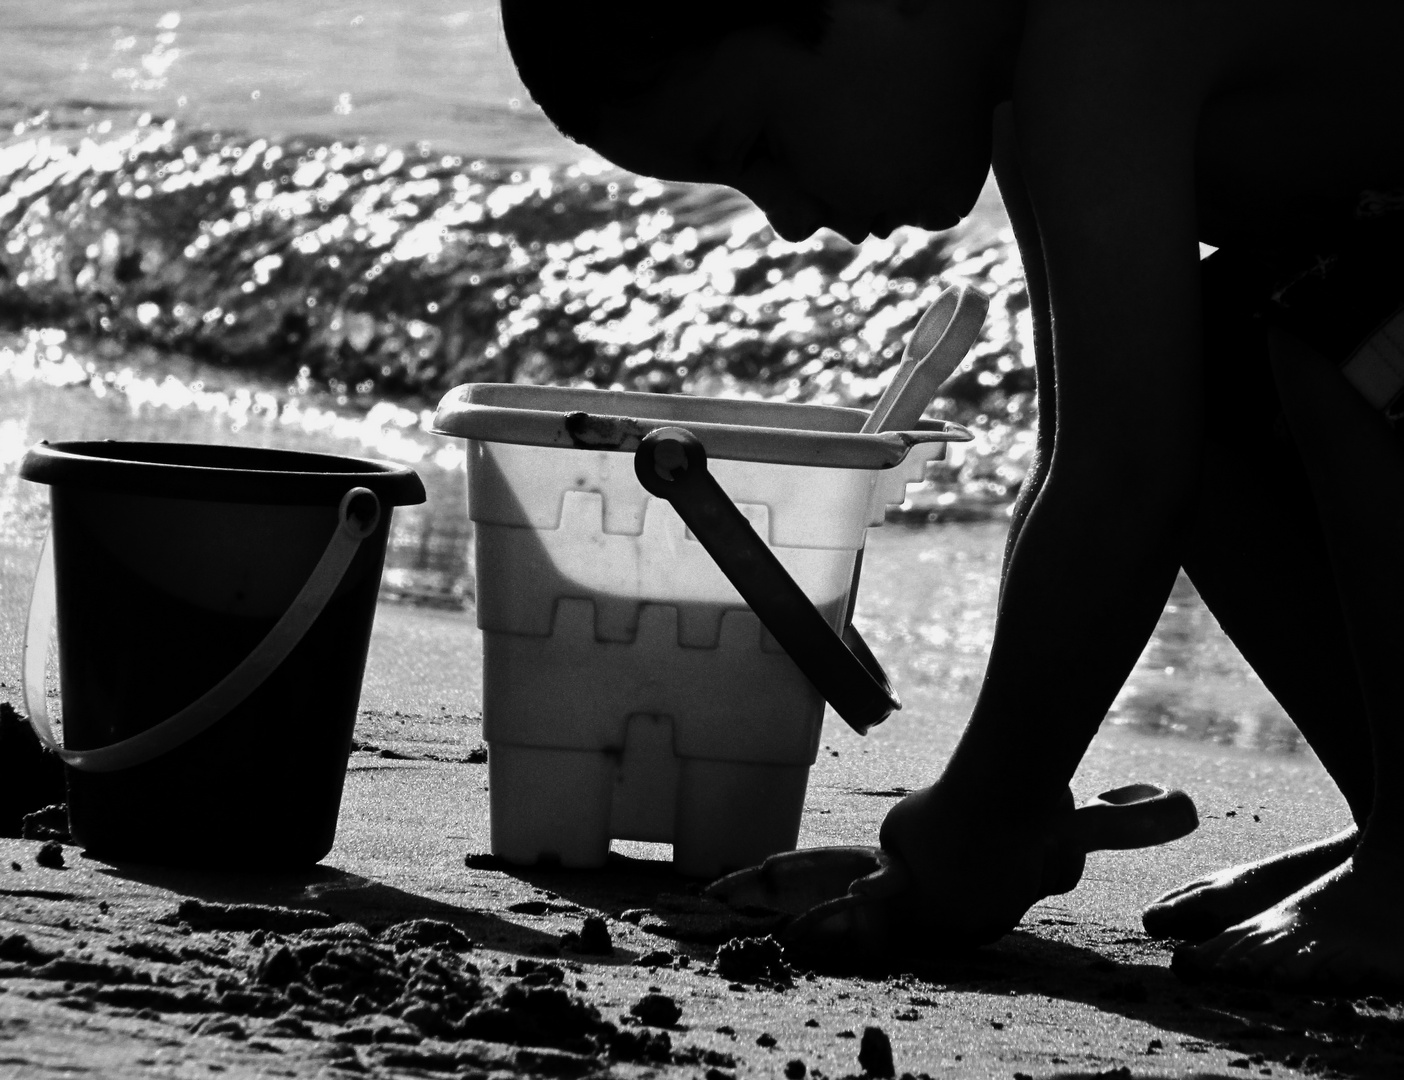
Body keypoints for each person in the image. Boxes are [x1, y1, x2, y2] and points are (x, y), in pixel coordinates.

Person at [499, 0, 1404, 991]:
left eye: (761, 145)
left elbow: (1124, 485)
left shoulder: (1100, 37)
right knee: (1205, 386)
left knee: (1333, 332)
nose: (791, 219)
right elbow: (1086, 447)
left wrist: (985, 819)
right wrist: (993, 801)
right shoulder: (1030, 85)